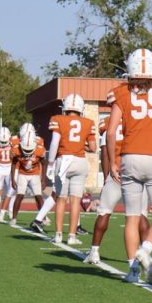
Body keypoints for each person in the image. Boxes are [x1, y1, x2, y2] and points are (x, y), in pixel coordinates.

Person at [105, 48, 152, 284]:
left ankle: (132, 271)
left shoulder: (121, 93)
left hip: (129, 157)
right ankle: (145, 249)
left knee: (132, 218)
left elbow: (110, 132)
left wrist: (112, 163)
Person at [84, 101, 149, 266]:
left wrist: (107, 176)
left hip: (117, 173)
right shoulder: (140, 122)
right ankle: (145, 254)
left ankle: (94, 251)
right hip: (137, 174)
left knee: (104, 213)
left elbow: (105, 153)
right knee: (140, 215)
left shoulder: (108, 124)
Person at [45, 95, 95, 245]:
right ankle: (72, 236)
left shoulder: (58, 119)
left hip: (64, 161)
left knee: (61, 200)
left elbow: (54, 143)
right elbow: (93, 147)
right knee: (75, 201)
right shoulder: (88, 122)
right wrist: (80, 146)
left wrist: (50, 163)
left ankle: (58, 234)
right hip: (80, 162)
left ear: (65, 107)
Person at [8, 123, 46, 227]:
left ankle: (43, 218)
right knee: (19, 195)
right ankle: (14, 218)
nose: (27, 152)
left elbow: (43, 163)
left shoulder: (39, 148)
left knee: (39, 197)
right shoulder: (16, 149)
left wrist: (43, 179)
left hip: (34, 173)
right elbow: (14, 163)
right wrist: (13, 179)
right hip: (22, 173)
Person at [0, 126, 17, 222]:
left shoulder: (14, 142)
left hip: (10, 167)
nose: (4, 143)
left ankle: (10, 210)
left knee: (12, 189)